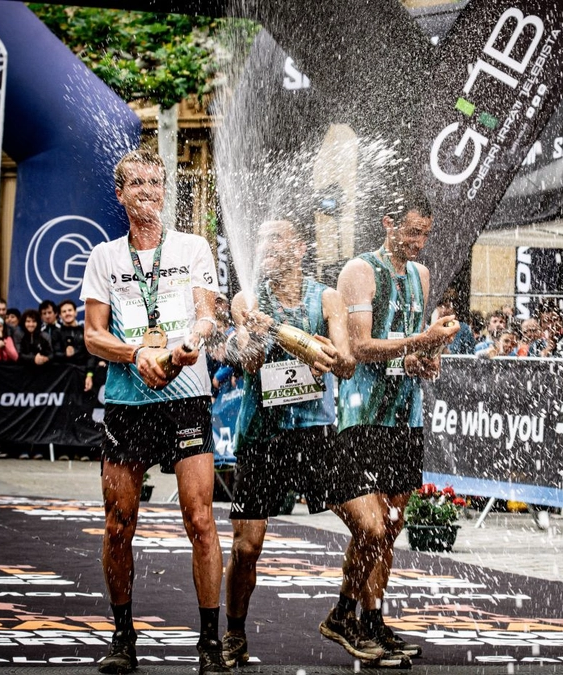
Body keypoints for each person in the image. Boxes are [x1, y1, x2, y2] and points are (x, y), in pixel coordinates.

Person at [80, 147, 225, 674]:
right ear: (120, 194)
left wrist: (190, 343)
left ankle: (210, 644)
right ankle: (122, 636)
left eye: (156, 182)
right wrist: (134, 353)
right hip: (127, 402)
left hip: (186, 394)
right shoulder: (105, 257)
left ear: (166, 190)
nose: (148, 191)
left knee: (201, 519)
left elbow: (209, 318)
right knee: (119, 523)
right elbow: (94, 337)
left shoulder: (193, 247)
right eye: (136, 183)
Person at [322, 191, 460, 668]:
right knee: (372, 526)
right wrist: (422, 340)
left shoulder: (420, 275)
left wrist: (425, 359)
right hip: (363, 415)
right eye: (412, 231)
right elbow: (360, 346)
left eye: (425, 233)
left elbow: (405, 348)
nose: (420, 242)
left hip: (406, 412)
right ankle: (343, 613)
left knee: (392, 528)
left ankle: (372, 618)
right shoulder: (359, 271)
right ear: (387, 223)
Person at [221, 218, 356, 668]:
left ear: (299, 247)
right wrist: (262, 332)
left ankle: (346, 614)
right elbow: (247, 359)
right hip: (262, 435)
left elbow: (347, 363)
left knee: (372, 527)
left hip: (315, 434)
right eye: (259, 240)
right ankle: (235, 633)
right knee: (247, 546)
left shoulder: (327, 297)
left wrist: (325, 356)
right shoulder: (249, 298)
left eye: (275, 239)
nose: (264, 248)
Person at [54, 299, 95, 392]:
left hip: (82, 375)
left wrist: (89, 375)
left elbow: (90, 355)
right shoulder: (56, 333)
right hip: (61, 378)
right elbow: (53, 354)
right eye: (64, 311)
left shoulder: (84, 332)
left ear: (75, 312)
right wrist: (65, 354)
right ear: (60, 315)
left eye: (70, 310)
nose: (67, 313)